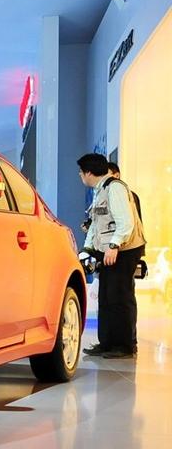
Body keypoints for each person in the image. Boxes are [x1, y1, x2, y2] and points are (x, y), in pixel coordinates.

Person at [78, 153, 146, 359]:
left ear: (89, 173)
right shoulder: (101, 190)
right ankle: (107, 343)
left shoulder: (115, 188)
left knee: (120, 297)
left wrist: (114, 245)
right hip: (108, 250)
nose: (80, 176)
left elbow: (126, 222)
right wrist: (87, 249)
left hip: (123, 251)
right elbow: (95, 225)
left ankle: (124, 345)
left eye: (81, 172)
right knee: (106, 297)